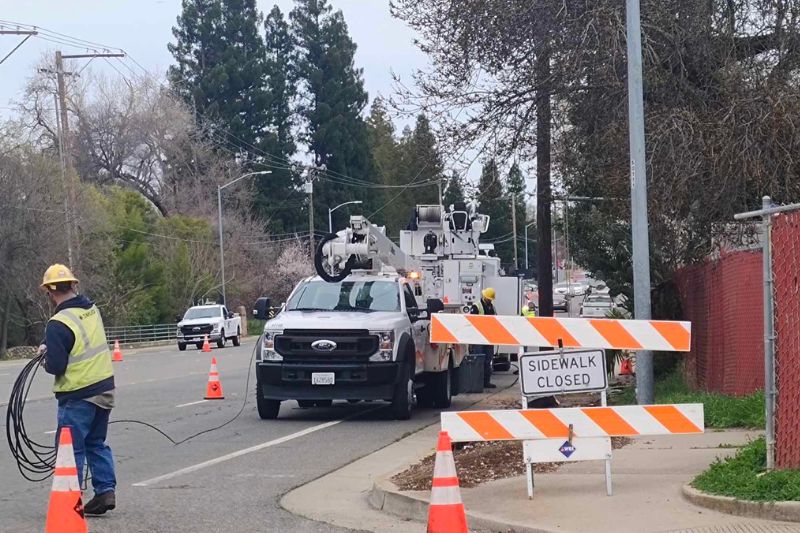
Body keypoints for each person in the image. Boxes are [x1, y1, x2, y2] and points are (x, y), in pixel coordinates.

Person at [40, 264, 117, 515]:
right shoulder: (91, 310)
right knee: (96, 442)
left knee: (70, 450)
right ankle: (105, 492)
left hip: (78, 395)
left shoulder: (57, 322)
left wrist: (45, 355)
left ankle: (70, 501)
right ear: (73, 285)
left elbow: (57, 365)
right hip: (104, 390)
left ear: (50, 292)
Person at [470, 287, 497, 389]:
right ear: (484, 297)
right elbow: (472, 321)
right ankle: (478, 383)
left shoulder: (492, 307)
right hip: (478, 338)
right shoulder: (476, 306)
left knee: (488, 360)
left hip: (489, 338)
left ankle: (486, 382)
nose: (489, 300)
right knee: (479, 360)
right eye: (488, 298)